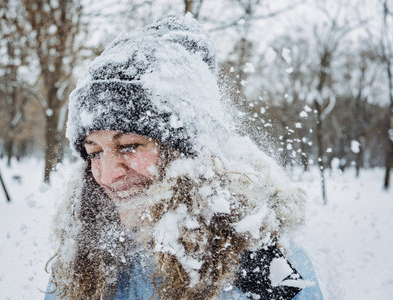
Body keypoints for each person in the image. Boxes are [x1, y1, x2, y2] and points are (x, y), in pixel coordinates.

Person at [44, 14, 323, 300]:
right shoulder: (85, 257)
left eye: (129, 145)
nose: (107, 174)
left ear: (188, 155)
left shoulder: (263, 264)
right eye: (94, 152)